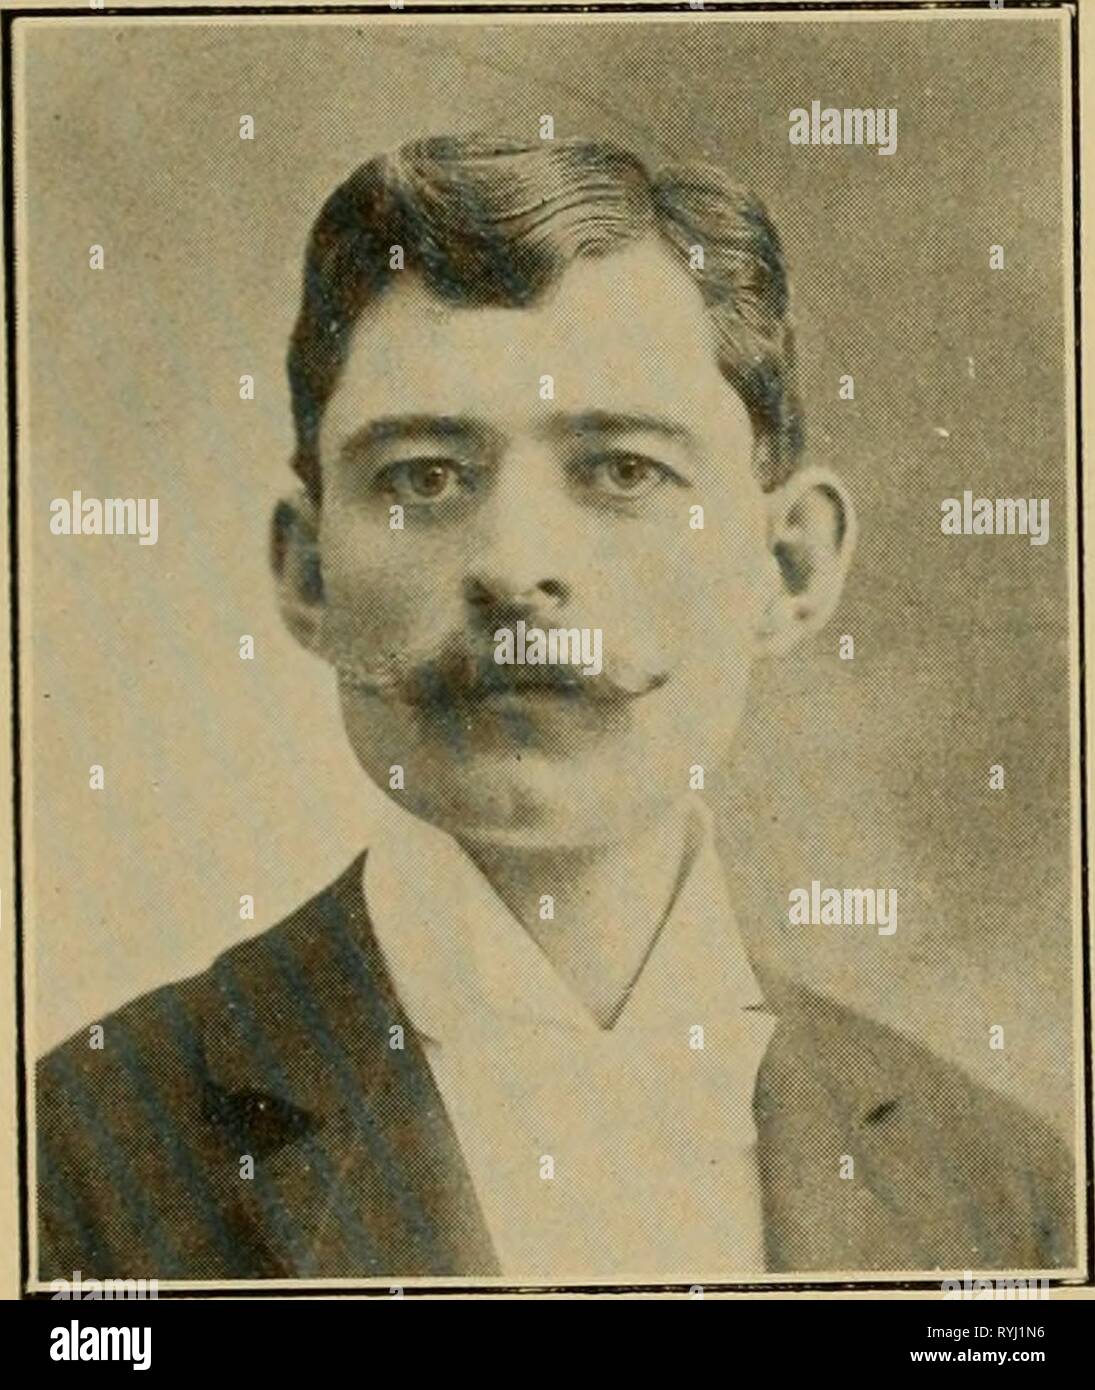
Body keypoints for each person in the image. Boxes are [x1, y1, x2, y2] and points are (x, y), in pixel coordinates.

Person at [36, 134, 1074, 1281]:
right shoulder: (78, 1151)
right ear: (308, 570)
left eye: (624, 469)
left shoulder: (995, 1185)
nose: (514, 565)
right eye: (425, 476)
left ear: (787, 566)